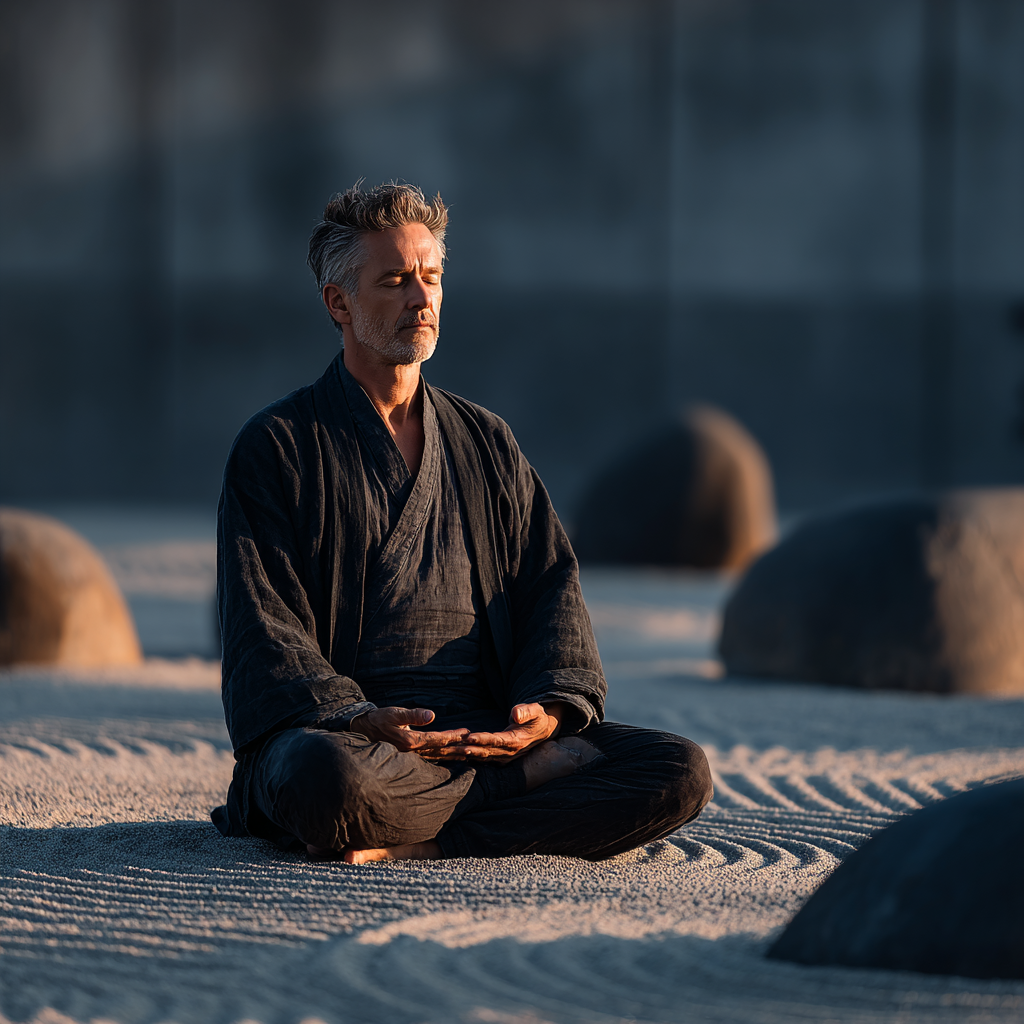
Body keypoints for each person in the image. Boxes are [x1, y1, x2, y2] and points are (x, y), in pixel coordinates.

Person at [211, 182, 713, 863]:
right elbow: (261, 627)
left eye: (432, 277)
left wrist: (546, 713)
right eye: (393, 282)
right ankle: (502, 797)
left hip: (485, 733)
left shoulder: (486, 440)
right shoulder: (278, 446)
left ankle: (426, 837)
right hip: (356, 743)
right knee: (317, 779)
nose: (421, 300)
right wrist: (360, 717)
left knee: (677, 770)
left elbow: (549, 586)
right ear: (339, 302)